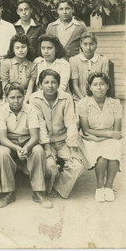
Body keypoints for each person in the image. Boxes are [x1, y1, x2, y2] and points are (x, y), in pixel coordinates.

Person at [0, 83, 53, 209]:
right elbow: (3, 138)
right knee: (3, 152)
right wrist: (16, 148)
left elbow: (35, 137)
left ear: (23, 96)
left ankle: (38, 192)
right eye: (12, 97)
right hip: (10, 141)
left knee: (38, 150)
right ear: (6, 98)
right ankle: (8, 192)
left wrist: (26, 148)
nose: (16, 101)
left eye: (19, 97)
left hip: (28, 140)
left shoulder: (30, 109)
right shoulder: (1, 110)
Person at [30, 69, 85, 199]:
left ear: (58, 84)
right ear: (40, 85)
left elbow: (71, 123)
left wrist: (73, 150)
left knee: (78, 165)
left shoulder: (66, 97)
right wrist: (48, 149)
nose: (50, 86)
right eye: (46, 82)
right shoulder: (34, 98)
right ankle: (49, 187)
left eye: (54, 82)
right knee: (50, 167)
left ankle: (59, 188)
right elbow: (40, 125)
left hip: (63, 141)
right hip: (45, 142)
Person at [77, 73, 122, 202]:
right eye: (95, 84)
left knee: (113, 151)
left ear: (108, 86)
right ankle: (99, 187)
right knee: (102, 158)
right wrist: (108, 135)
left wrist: (103, 137)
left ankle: (109, 187)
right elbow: (86, 129)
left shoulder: (115, 103)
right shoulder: (83, 103)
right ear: (90, 87)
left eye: (102, 84)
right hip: (89, 139)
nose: (99, 88)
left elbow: (117, 131)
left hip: (102, 138)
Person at [70, 32, 109, 101]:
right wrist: (84, 100)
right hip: (79, 99)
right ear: (80, 45)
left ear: (96, 45)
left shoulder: (103, 61)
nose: (88, 48)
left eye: (91, 44)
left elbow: (104, 84)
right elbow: (75, 85)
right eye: (85, 44)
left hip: (98, 99)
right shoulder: (74, 60)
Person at [0, 34, 37, 103]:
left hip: (25, 98)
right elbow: (4, 86)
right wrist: (8, 101)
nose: (21, 50)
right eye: (17, 48)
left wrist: (24, 103)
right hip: (9, 97)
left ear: (28, 48)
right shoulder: (6, 63)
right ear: (13, 50)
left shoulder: (33, 66)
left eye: (23, 47)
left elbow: (30, 89)